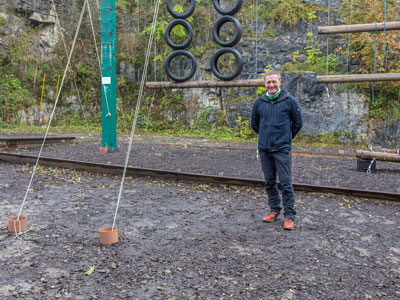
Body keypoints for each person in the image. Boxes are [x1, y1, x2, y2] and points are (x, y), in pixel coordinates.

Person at [251, 70, 303, 230]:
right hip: (265, 149)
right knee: (269, 182)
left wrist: (285, 139)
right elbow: (254, 125)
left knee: (286, 183)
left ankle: (289, 216)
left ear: (280, 82)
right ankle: (274, 210)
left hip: (282, 149)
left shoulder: (290, 101)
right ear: (265, 84)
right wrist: (266, 137)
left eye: (274, 82)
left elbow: (297, 123)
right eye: (268, 82)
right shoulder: (259, 103)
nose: (271, 85)